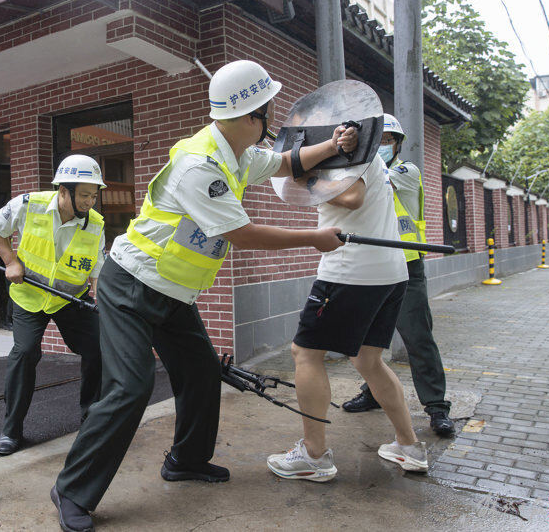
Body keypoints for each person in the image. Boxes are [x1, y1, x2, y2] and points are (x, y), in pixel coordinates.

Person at [51, 60, 352, 532]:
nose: (268, 121)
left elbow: (288, 163)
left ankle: (185, 461)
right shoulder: (200, 166)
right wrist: (312, 239)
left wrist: (332, 146)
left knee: (201, 372)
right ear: (253, 116)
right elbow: (242, 233)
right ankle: (72, 490)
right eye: (266, 112)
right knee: (130, 388)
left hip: (172, 293)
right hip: (130, 285)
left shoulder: (237, 153)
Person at [267, 118, 429, 482]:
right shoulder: (373, 157)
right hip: (391, 272)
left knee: (305, 353)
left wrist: (308, 181)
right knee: (368, 359)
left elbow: (352, 198)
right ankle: (408, 445)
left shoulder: (354, 157)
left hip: (351, 272)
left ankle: (313, 455)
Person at [341, 114, 455, 437]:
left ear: (398, 145)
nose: (381, 148)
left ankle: (436, 408)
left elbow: (372, 183)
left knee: (418, 338)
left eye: (387, 142)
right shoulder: (367, 175)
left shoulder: (405, 172)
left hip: (406, 267)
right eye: (376, 142)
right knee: (367, 339)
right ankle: (373, 392)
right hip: (374, 266)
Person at [0, 154, 106, 456]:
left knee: (98, 348)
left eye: (94, 195)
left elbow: (96, 268)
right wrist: (11, 261)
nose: (90, 201)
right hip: (30, 295)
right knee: (25, 352)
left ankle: (91, 417)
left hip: (71, 298)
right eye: (84, 195)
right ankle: (11, 429)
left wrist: (99, 296)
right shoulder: (29, 204)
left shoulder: (96, 224)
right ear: (63, 191)